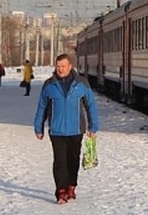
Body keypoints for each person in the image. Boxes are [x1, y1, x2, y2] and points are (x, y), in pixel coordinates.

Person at [33, 53, 99, 204]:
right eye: (58, 67)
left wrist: (93, 126)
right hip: (56, 130)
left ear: (70, 67)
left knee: (73, 160)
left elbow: (91, 106)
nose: (60, 69)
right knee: (60, 160)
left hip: (76, 130)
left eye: (63, 66)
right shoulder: (49, 85)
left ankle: (71, 185)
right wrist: (38, 127)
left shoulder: (82, 84)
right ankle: (61, 191)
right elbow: (42, 107)